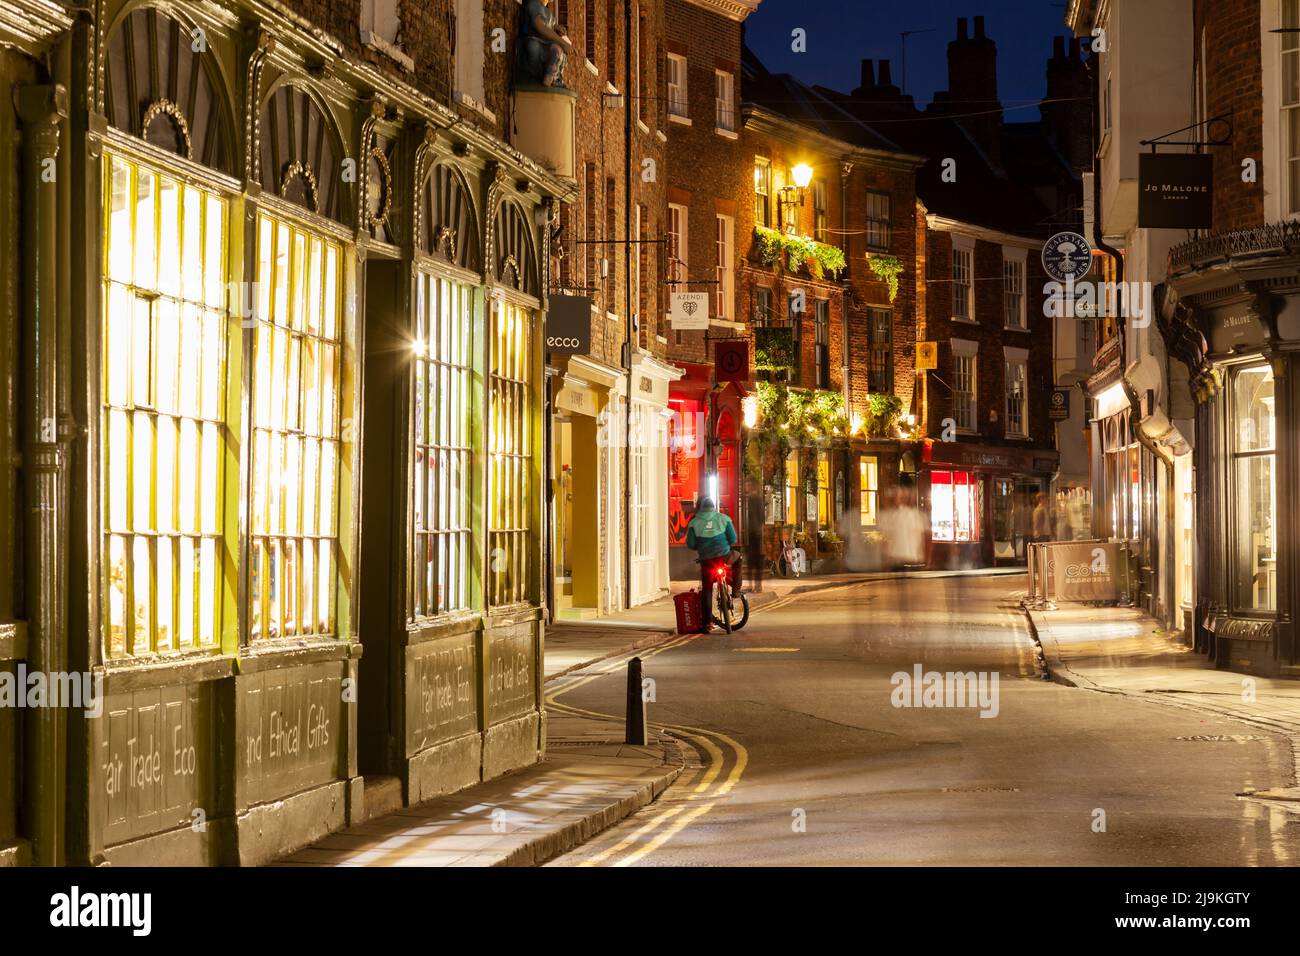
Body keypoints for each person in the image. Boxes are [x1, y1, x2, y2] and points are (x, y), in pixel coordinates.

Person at [686, 497, 740, 628]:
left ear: (699, 508)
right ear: (714, 507)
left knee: (707, 589)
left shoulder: (694, 522)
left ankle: (706, 623)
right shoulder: (724, 518)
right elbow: (733, 539)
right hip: (724, 556)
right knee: (738, 558)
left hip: (706, 560)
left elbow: (691, 544)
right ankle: (736, 588)